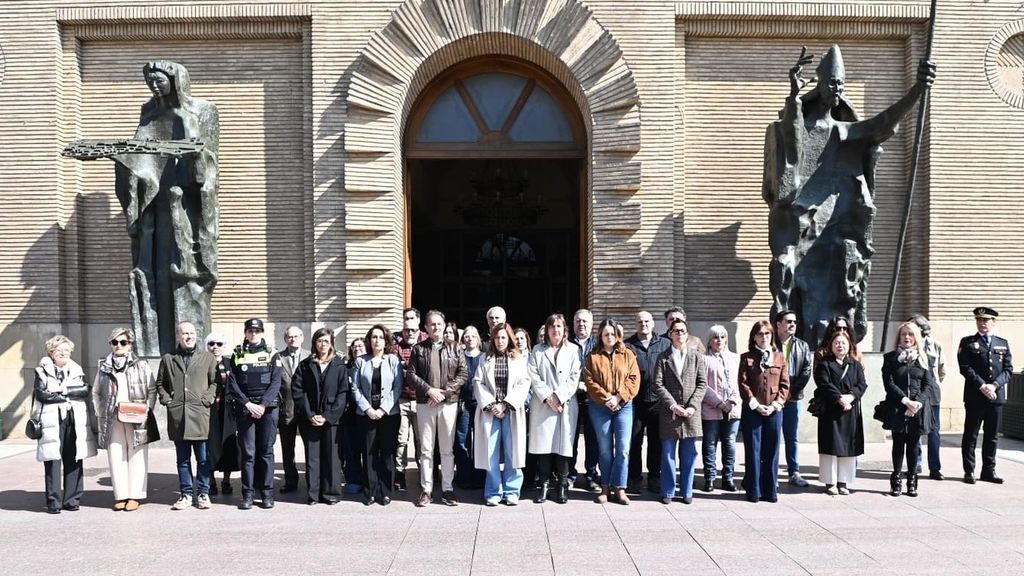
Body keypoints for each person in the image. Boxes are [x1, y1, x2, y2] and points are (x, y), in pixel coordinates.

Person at [763, 45, 936, 346]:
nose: (836, 88)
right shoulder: (802, 123)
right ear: (819, 83)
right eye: (832, 82)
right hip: (800, 222)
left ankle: (834, 341)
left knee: (840, 289)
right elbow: (791, 137)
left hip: (837, 221)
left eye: (841, 84)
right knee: (785, 270)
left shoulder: (844, 130)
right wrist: (793, 96)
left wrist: (917, 90)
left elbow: (881, 124)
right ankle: (788, 338)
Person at [406, 309, 468, 507]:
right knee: (426, 449)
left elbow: (463, 374)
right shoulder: (418, 349)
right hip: (426, 404)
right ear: (425, 327)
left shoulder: (456, 348)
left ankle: (448, 489)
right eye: (432, 324)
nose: (436, 327)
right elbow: (411, 375)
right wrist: (429, 390)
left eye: (439, 324)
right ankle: (427, 489)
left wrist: (443, 393)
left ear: (444, 326)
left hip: (448, 404)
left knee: (447, 449)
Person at [93, 328, 158, 511]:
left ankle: (135, 495)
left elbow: (151, 390)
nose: (119, 346)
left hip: (136, 415)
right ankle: (121, 495)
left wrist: (147, 409)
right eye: (115, 342)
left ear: (130, 344)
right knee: (116, 455)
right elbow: (96, 392)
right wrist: (101, 411)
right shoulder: (103, 366)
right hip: (112, 416)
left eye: (123, 342)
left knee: (137, 455)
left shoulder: (141, 364)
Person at [156, 321, 218, 510]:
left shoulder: (207, 358)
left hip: (200, 416)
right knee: (182, 460)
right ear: (178, 336)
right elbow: (160, 383)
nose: (189, 336)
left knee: (203, 458)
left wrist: (206, 399)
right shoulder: (168, 359)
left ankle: (203, 493)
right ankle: (186, 494)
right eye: (185, 333)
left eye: (192, 333)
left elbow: (214, 383)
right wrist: (167, 399)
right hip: (178, 417)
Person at [34, 335, 97, 513]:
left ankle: (72, 500)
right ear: (51, 352)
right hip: (52, 419)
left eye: (66, 350)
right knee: (53, 459)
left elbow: (85, 389)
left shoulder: (76, 369)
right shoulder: (42, 370)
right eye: (59, 350)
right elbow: (42, 394)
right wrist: (68, 394)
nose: (63, 353)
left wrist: (60, 391)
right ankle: (54, 502)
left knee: (74, 457)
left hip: (74, 417)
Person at [227, 318, 283, 510]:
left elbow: (276, 383)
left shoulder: (272, 353)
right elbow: (232, 384)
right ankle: (248, 495)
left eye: (257, 330)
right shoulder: (237, 354)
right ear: (245, 332)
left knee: (266, 452)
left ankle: (267, 494)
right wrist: (248, 404)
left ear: (262, 332)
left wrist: (264, 404)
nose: (253, 334)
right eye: (250, 330)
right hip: (246, 408)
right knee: (248, 454)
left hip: (268, 408)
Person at [473, 323, 531, 506]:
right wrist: (492, 404)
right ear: (492, 339)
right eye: (497, 338)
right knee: (490, 453)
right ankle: (493, 491)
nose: (500, 341)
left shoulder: (518, 358)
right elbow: (477, 382)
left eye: (503, 337)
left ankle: (512, 491)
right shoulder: (485, 358)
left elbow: (524, 382)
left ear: (509, 339)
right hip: (490, 412)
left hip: (511, 411)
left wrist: (506, 404)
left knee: (513, 451)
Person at [528, 313, 581, 504]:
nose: (555, 330)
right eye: (552, 326)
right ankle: (544, 485)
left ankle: (562, 485)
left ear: (564, 329)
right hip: (543, 405)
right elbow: (533, 375)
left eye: (559, 326)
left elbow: (575, 377)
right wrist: (548, 397)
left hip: (565, 405)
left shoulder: (574, 350)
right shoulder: (537, 350)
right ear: (547, 330)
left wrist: (558, 396)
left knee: (563, 448)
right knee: (544, 447)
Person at [585, 319, 640, 504]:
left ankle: (620, 488)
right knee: (605, 450)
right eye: (606, 333)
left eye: (612, 333)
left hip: (624, 406)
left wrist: (619, 397)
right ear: (600, 335)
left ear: (618, 335)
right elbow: (590, 381)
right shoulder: (593, 356)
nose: (609, 337)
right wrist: (607, 398)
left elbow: (634, 378)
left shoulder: (628, 354)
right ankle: (605, 487)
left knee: (623, 449)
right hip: (600, 407)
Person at [292, 327, 348, 505]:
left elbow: (343, 393)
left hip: (332, 419)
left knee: (332, 458)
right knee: (313, 457)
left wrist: (328, 416)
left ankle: (331, 494)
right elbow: (298, 390)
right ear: (314, 343)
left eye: (326, 341)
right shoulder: (306, 364)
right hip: (310, 418)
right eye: (319, 341)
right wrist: (309, 414)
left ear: (331, 343)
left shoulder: (339, 365)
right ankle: (313, 494)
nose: (322, 344)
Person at [653, 318, 706, 505]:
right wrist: (672, 405)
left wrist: (692, 406)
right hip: (670, 413)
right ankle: (667, 490)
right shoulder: (663, 357)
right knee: (668, 453)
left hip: (691, 413)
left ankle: (686, 490)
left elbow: (702, 384)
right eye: (676, 331)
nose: (679, 334)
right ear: (670, 334)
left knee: (689, 453)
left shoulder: (697, 356)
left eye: (683, 331)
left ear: (687, 333)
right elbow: (658, 384)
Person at [959, 307, 1013, 485]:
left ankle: (989, 470)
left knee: (992, 436)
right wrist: (982, 386)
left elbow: (1008, 369)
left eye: (986, 320)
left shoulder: (1002, 343)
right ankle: (969, 470)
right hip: (975, 396)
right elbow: (965, 368)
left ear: (993, 322)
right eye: (979, 320)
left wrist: (994, 385)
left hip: (995, 397)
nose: (982, 324)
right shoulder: (968, 342)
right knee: (971, 435)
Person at [738, 321, 790, 503]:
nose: (764, 337)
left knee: (772, 451)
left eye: (767, 334)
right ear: (754, 337)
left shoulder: (779, 357)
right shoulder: (746, 357)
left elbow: (785, 385)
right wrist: (755, 404)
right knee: (753, 451)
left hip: (774, 411)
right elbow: (743, 384)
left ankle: (770, 491)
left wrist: (776, 405)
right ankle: (754, 491)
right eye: (760, 334)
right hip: (753, 411)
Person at [352, 325, 404, 505]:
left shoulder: (393, 360)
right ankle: (370, 492)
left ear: (386, 340)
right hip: (366, 414)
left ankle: (386, 491)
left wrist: (383, 409)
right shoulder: (361, 361)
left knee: (387, 453)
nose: (377, 340)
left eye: (380, 337)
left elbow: (398, 387)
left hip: (389, 415)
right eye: (373, 337)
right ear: (369, 340)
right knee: (369, 453)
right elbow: (355, 387)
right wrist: (368, 409)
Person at [882, 322, 934, 497]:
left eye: (910, 334)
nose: (907, 338)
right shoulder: (890, 358)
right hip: (898, 406)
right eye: (904, 334)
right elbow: (889, 383)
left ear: (916, 338)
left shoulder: (923, 358)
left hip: (918, 409)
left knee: (913, 445)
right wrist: (905, 401)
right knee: (898, 444)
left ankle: (912, 479)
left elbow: (928, 385)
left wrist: (917, 403)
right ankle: (896, 479)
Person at [813, 329, 867, 495]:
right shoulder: (824, 364)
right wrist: (839, 398)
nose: (839, 346)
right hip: (830, 411)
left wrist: (851, 397)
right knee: (830, 446)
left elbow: (862, 384)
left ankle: (843, 482)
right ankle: (830, 483)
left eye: (843, 343)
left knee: (848, 447)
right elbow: (823, 383)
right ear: (831, 346)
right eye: (836, 343)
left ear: (849, 345)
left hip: (850, 411)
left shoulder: (855, 365)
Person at [624, 310, 671, 493]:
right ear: (635, 324)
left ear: (653, 323)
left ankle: (654, 477)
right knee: (634, 442)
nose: (643, 324)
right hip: (635, 401)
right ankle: (635, 478)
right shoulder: (628, 345)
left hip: (658, 402)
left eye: (646, 321)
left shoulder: (665, 344)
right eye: (639, 321)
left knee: (656, 442)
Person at [700, 325, 741, 492]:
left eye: (723, 337)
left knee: (730, 442)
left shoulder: (736, 358)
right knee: (710, 443)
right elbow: (702, 385)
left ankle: (728, 477)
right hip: (711, 408)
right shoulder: (702, 359)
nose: (719, 341)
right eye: (716, 337)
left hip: (732, 408)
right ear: (709, 340)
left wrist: (731, 401)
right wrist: (718, 403)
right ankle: (709, 477)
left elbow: (741, 382)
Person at [774, 309, 812, 487]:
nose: (792, 325)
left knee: (791, 437)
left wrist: (789, 392)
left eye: (794, 322)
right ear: (779, 324)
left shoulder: (802, 345)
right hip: (772, 399)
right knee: (771, 436)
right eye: (788, 321)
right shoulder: (771, 343)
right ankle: (770, 472)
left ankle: (794, 472)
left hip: (792, 398)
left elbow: (806, 371)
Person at [392, 307, 426, 491]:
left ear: (418, 322)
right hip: (403, 399)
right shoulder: (395, 342)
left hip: (422, 400)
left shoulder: (427, 341)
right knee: (401, 439)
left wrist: (406, 368)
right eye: (406, 320)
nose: (409, 330)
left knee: (421, 441)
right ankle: (400, 474)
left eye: (412, 320)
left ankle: (424, 474)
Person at [909, 314, 946, 480]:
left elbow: (942, 370)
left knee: (934, 432)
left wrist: (931, 384)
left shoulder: (935, 345)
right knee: (915, 430)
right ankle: (916, 463)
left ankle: (935, 467)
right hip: (915, 394)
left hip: (933, 394)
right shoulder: (909, 346)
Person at [568, 308, 600, 491]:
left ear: (592, 324)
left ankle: (591, 475)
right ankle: (570, 475)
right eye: (578, 321)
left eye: (585, 321)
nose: (581, 324)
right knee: (570, 438)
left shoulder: (598, 343)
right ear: (573, 324)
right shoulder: (566, 343)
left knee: (592, 438)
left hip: (593, 398)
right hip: (571, 398)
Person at [205, 332, 238, 497]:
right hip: (209, 411)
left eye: (219, 344)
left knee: (228, 446)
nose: (215, 347)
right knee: (210, 446)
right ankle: (211, 482)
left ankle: (226, 480)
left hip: (228, 411)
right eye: (211, 344)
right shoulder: (202, 363)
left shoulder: (230, 362)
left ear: (224, 346)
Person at [277, 326, 309, 494]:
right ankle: (290, 481)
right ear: (285, 339)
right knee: (287, 449)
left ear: (302, 338)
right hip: (286, 409)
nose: (293, 339)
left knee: (310, 448)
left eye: (296, 336)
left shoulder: (310, 356)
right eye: (290, 337)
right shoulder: (278, 357)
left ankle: (312, 480)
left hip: (306, 411)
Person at [455, 325, 486, 489]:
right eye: (467, 336)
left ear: (478, 339)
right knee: (462, 440)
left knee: (480, 441)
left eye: (473, 336)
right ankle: (464, 477)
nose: (470, 338)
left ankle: (480, 477)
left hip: (481, 404)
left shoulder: (485, 357)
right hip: (463, 404)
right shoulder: (458, 356)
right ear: (462, 340)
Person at [342, 337, 367, 495]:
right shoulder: (345, 367)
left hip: (368, 413)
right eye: (354, 346)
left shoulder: (371, 363)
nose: (357, 348)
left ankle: (369, 479)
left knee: (368, 448)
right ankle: (353, 479)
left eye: (360, 345)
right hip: (350, 413)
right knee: (350, 449)